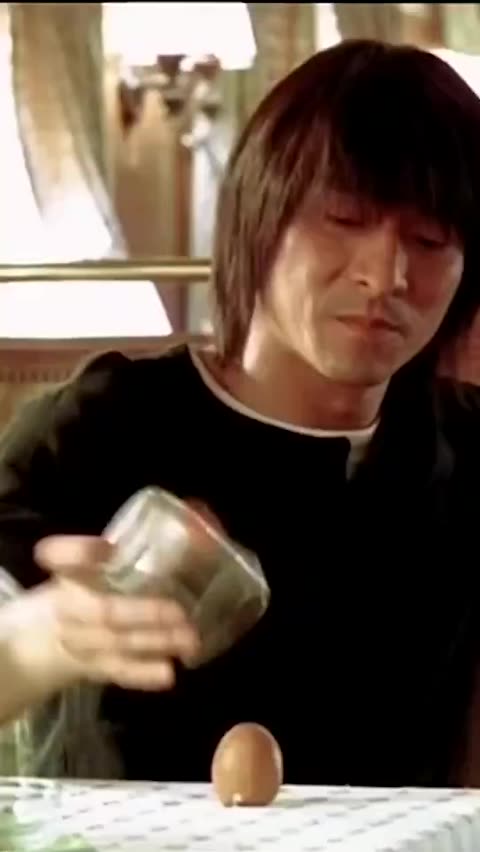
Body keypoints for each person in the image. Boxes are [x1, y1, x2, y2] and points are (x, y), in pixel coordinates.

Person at [1, 37, 480, 787]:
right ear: (262, 213)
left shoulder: (462, 446)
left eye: (429, 240)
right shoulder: (105, 424)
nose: (387, 275)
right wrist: (45, 637)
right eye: (345, 217)